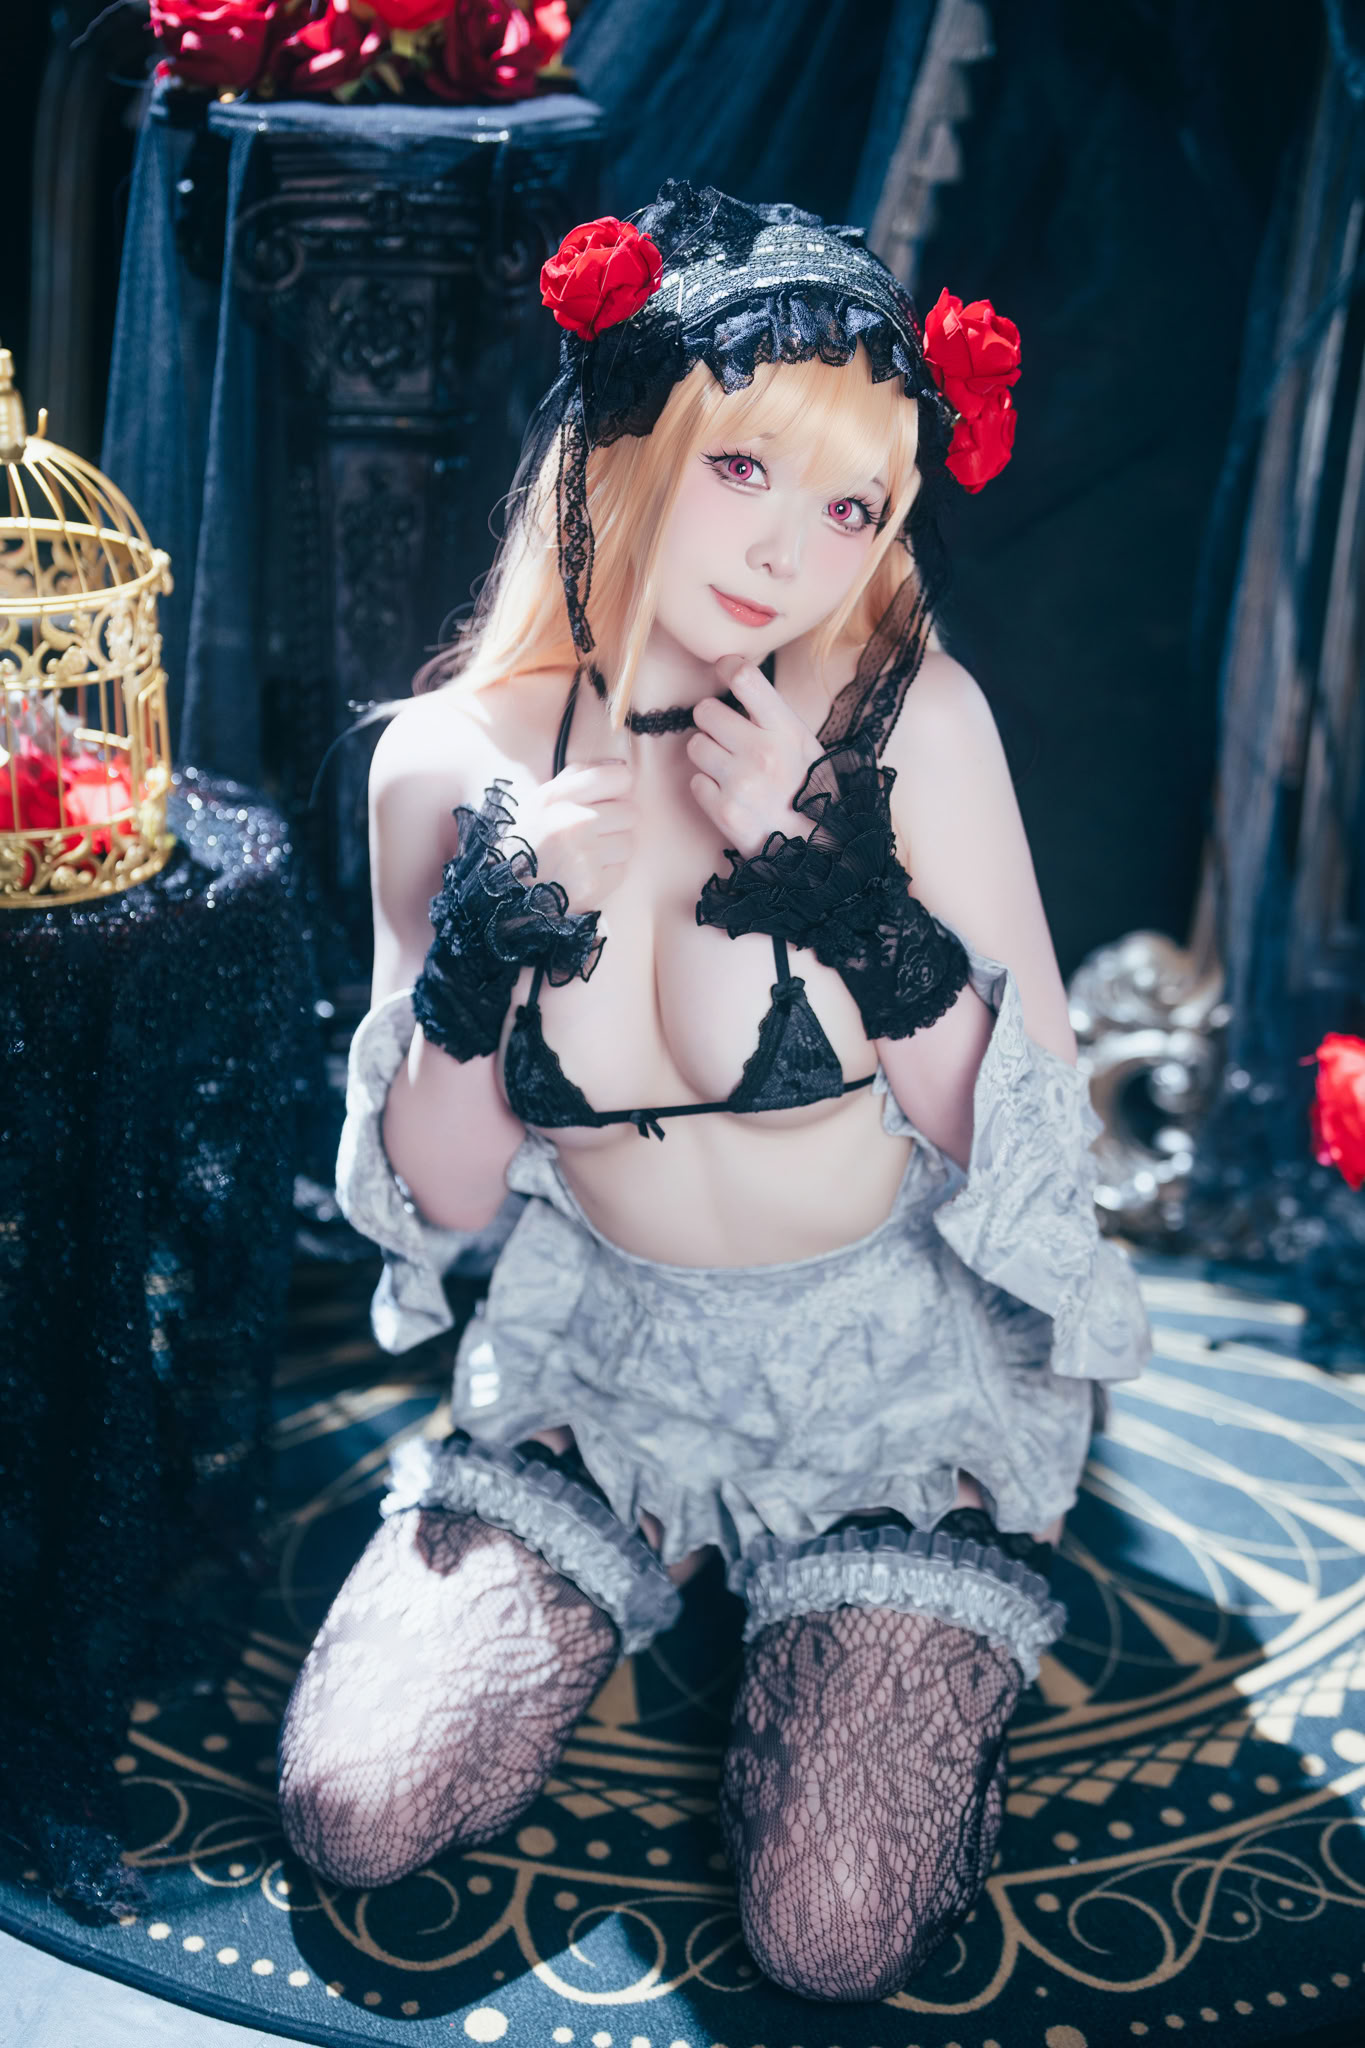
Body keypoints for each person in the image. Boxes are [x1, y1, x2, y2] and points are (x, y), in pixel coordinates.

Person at [276, 181, 1151, 2003]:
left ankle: (829, 1610)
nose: (789, 554)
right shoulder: (446, 764)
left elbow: (1031, 1156)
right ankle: (665, 1579)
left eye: (852, 506)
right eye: (744, 466)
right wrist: (470, 968)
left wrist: (855, 909)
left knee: (831, 1933)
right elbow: (448, 1197)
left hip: (888, 1370)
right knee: (352, 1811)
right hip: (601, 1361)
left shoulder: (908, 722)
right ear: (625, 444)